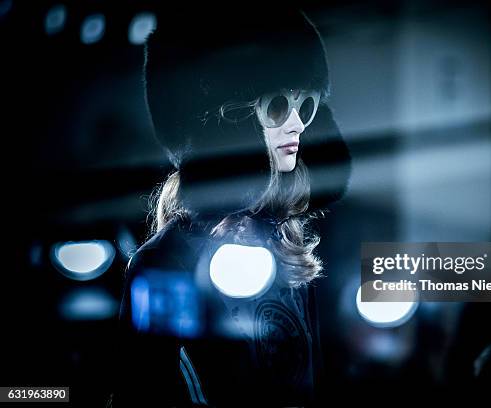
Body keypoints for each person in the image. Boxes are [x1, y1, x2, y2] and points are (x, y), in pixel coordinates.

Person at [110, 6, 351, 407]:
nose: (296, 124)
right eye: (276, 106)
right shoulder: (166, 263)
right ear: (222, 122)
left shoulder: (289, 247)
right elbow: (141, 392)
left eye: (305, 105)